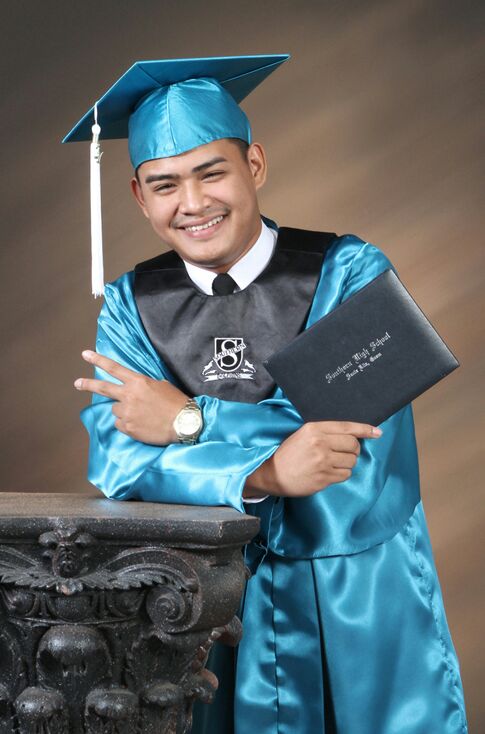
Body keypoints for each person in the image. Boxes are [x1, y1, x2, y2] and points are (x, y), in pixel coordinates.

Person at [67, 55, 468, 733]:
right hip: (202, 605)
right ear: (138, 195)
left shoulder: (348, 270)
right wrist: (267, 471)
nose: (192, 204)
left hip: (353, 595)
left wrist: (188, 421)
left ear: (254, 164)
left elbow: (348, 449)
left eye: (211, 173)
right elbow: (120, 464)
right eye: (165, 184)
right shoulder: (131, 305)